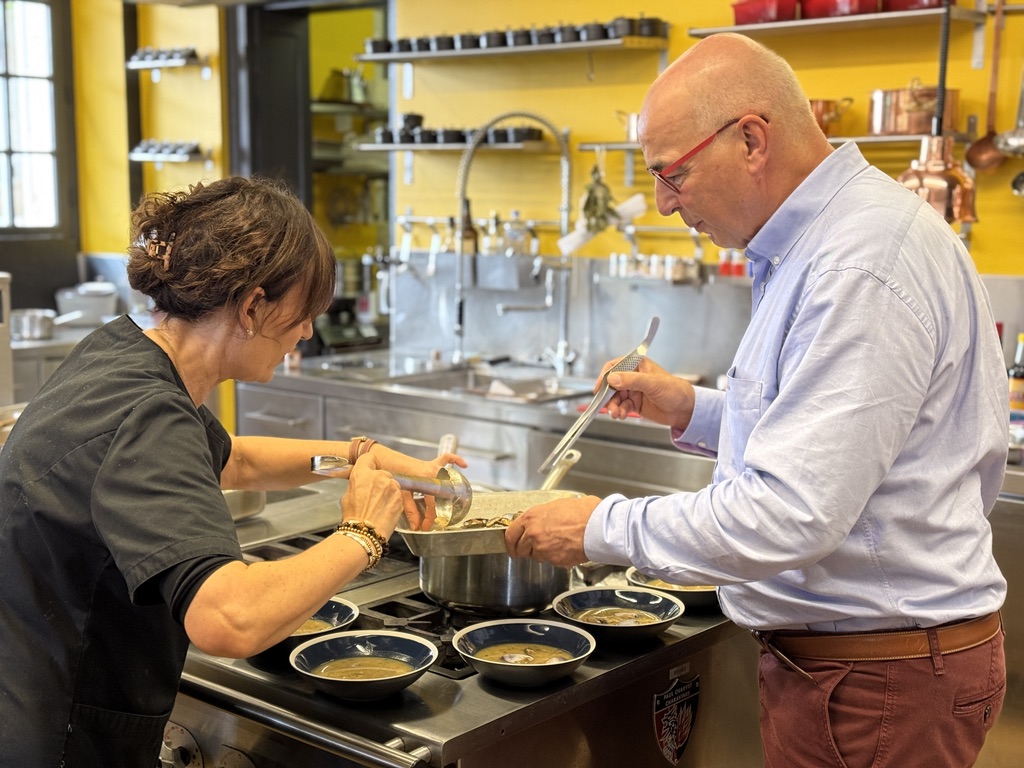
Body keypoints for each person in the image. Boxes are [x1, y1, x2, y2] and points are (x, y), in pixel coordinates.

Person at [506, 33, 1007, 768]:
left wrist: (597, 527)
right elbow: (834, 438)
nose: (664, 203)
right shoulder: (820, 243)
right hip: (857, 671)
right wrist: (693, 409)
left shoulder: (858, 261)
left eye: (671, 174)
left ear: (750, 139)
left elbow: (792, 513)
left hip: (877, 685)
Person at [0, 176, 464, 767]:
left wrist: (360, 458)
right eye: (305, 313)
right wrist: (363, 533)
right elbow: (229, 620)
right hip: (56, 736)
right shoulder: (149, 413)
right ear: (251, 307)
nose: (308, 333)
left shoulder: (120, 354)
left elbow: (234, 459)